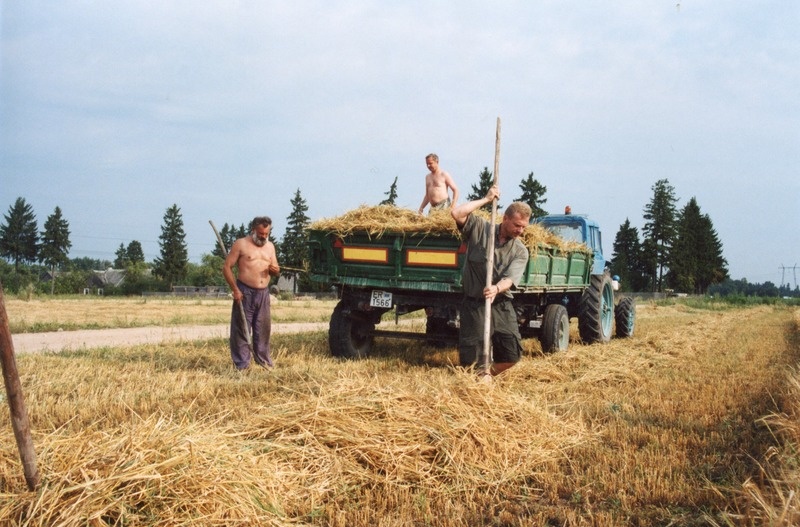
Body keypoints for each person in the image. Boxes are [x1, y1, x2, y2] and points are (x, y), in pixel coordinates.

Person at [451, 186, 531, 378]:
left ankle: (486, 375)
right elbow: (456, 212)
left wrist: (496, 288)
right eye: (517, 225)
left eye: (523, 227)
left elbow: (510, 279)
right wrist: (486, 199)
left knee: (512, 355)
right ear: (505, 218)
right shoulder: (480, 228)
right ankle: (477, 378)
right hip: (474, 304)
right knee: (471, 359)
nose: (520, 230)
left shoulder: (520, 251)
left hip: (501, 303)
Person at [222, 216, 281, 370]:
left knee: (263, 330)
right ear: (253, 229)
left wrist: (275, 271)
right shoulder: (241, 244)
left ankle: (264, 362)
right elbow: (227, 267)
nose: (263, 237)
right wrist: (235, 289)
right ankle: (242, 365)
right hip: (245, 292)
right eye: (261, 233)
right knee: (241, 330)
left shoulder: (270, 247)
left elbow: (276, 268)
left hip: (263, 294)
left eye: (266, 234)